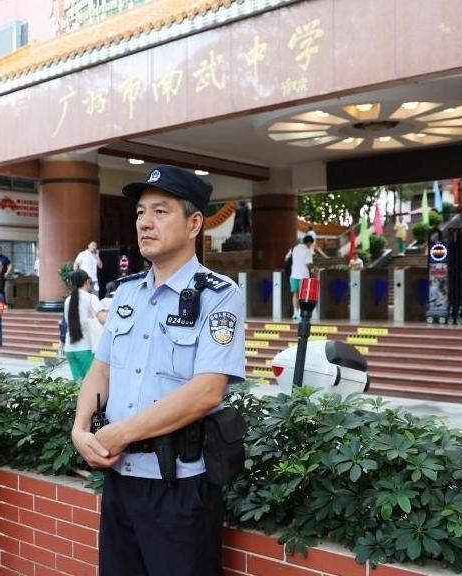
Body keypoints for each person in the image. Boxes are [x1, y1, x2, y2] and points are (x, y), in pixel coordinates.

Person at [70, 165, 245, 576]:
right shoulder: (126, 292)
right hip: (119, 480)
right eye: (140, 212)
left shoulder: (219, 295)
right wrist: (79, 429)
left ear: (194, 223)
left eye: (161, 211)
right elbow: (101, 369)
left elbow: (207, 391)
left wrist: (122, 433)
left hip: (179, 487)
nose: (145, 222)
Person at [63, 270, 104, 383]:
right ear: (87, 281)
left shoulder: (68, 300)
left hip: (70, 348)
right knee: (92, 384)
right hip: (85, 348)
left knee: (79, 385)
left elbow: (66, 322)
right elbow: (103, 319)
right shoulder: (90, 298)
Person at [287, 233, 317, 321]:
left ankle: (295, 312)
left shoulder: (294, 248)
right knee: (302, 295)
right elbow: (308, 264)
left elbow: (286, 258)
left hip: (294, 274)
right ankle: (300, 312)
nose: (311, 245)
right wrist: (313, 271)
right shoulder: (307, 251)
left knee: (295, 294)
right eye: (311, 244)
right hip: (303, 275)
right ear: (309, 242)